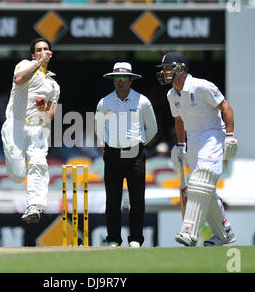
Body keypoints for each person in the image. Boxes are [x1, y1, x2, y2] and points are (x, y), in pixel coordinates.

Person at [157, 51, 238, 247]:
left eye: (168, 68)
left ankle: (189, 231)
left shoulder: (202, 86)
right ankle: (224, 234)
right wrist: (180, 146)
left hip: (212, 135)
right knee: (204, 189)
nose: (165, 72)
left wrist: (229, 136)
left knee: (199, 182)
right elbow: (179, 120)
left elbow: (226, 107)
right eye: (164, 69)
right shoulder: (171, 95)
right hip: (193, 140)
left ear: (181, 69)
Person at [95, 62, 158, 248]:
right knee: (112, 200)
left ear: (131, 80)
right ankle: (114, 239)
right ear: (113, 80)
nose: (120, 82)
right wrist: (108, 144)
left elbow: (152, 128)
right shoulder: (104, 102)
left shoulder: (143, 102)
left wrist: (139, 143)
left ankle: (136, 239)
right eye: (117, 79)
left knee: (137, 200)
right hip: (113, 154)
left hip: (135, 154)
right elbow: (99, 128)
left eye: (123, 79)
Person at [1, 38, 60, 224]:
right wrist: (38, 64)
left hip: (38, 129)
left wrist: (43, 109)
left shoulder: (53, 85)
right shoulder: (24, 65)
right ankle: (29, 196)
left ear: (50, 53)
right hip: (15, 125)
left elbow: (49, 116)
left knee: (38, 163)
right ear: (33, 54)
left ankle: (34, 206)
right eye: (39, 50)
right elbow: (19, 80)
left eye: (46, 49)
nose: (43, 52)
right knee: (18, 175)